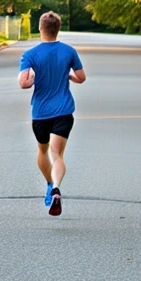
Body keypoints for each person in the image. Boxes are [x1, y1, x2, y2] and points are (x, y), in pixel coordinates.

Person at [18, 11, 86, 216]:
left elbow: (23, 82)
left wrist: (31, 80)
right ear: (58, 29)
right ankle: (56, 187)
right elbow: (81, 77)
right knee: (57, 154)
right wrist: (69, 76)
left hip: (40, 113)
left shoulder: (30, 55)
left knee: (42, 151)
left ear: (40, 29)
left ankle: (49, 185)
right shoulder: (69, 51)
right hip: (63, 111)